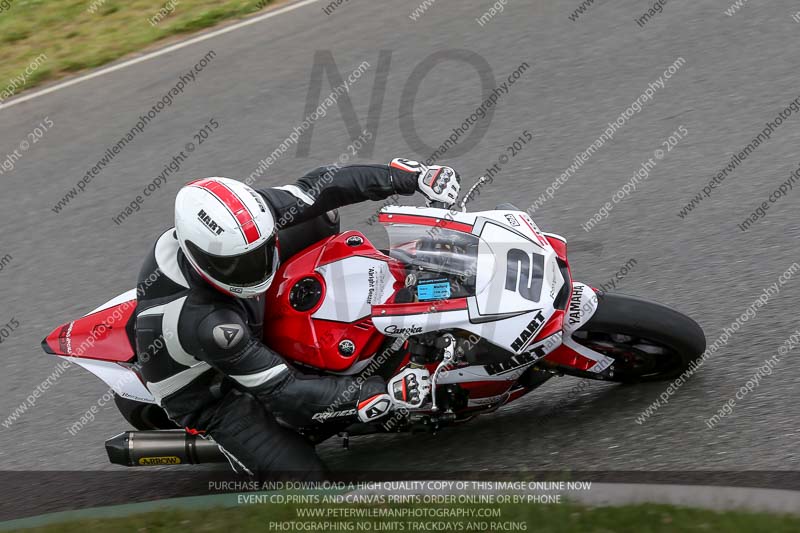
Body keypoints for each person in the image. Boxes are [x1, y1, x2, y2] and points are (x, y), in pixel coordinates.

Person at [134, 158, 461, 479]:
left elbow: (322, 187)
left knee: (321, 215)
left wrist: (409, 177)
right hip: (212, 391)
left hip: (240, 308)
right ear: (200, 258)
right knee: (308, 482)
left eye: (261, 253)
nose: (258, 268)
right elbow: (286, 393)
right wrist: (382, 392)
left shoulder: (246, 226)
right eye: (240, 264)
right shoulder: (210, 324)